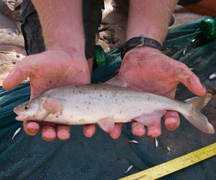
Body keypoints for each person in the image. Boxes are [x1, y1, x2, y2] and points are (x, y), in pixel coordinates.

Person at [2, 0, 208, 142]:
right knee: (74, 57)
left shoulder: (49, 102)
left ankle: (186, 107)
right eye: (27, 108)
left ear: (45, 104)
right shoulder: (49, 101)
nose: (22, 110)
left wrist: (144, 45)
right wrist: (64, 47)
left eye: (27, 108)